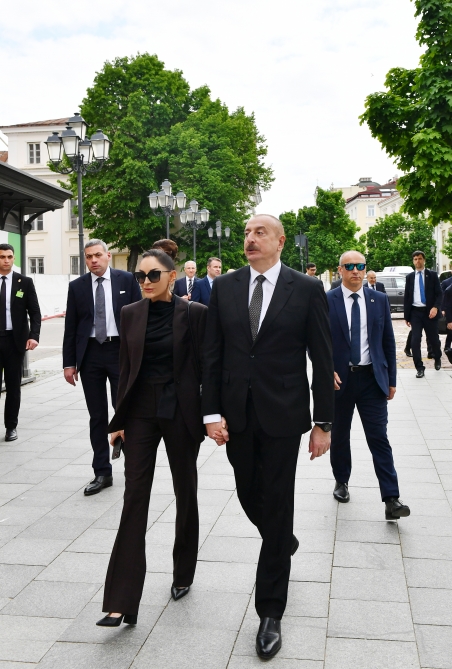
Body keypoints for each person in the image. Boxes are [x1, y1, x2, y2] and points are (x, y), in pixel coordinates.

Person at [202, 214, 334, 660]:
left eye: (260, 232)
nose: (250, 239)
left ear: (280, 242)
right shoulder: (225, 287)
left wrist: (324, 423)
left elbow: (322, 357)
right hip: (236, 413)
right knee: (247, 492)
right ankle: (282, 540)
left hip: (284, 414)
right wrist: (210, 413)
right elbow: (213, 354)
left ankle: (270, 611)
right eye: (246, 232)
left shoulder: (307, 288)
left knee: (277, 501)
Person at [96, 248, 207, 627]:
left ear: (172, 277)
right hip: (141, 412)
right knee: (134, 498)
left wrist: (212, 416)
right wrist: (119, 419)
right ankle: (121, 601)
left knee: (185, 490)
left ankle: (183, 572)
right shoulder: (130, 313)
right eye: (140, 276)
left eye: (153, 275)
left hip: (181, 411)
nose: (145, 282)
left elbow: (208, 367)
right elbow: (125, 369)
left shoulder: (195, 314)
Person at [327, 251, 410, 522]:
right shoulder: (327, 300)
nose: (356, 271)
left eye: (360, 266)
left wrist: (391, 380)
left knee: (378, 437)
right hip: (340, 381)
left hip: (372, 380)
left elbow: (387, 342)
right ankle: (341, 480)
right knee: (340, 435)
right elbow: (316, 342)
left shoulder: (379, 300)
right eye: (350, 266)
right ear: (340, 270)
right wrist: (326, 371)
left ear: (365, 269)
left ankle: (391, 498)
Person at [62, 240, 142, 496]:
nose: (93, 260)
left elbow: (141, 318)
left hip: (120, 352)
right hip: (90, 355)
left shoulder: (126, 280)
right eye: (88, 257)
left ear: (108, 255)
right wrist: (69, 363)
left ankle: (134, 470)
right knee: (97, 416)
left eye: (97, 255)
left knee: (125, 411)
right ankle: (102, 472)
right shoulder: (77, 287)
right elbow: (71, 327)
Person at [0, 243, 41, 442]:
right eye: (2, 257)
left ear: (14, 258)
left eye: (9, 256)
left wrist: (34, 335)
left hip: (14, 342)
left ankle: (11, 427)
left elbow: (35, 312)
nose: (6, 260)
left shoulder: (24, 282)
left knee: (13, 386)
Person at [404, 250, 442, 378]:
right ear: (413, 261)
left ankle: (437, 357)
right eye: (415, 259)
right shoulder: (410, 277)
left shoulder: (432, 275)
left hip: (430, 312)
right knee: (415, 340)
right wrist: (407, 316)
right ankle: (419, 368)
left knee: (433, 339)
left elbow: (439, 294)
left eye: (420, 258)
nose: (418, 261)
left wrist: (435, 307)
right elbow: (407, 296)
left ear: (424, 260)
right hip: (415, 312)